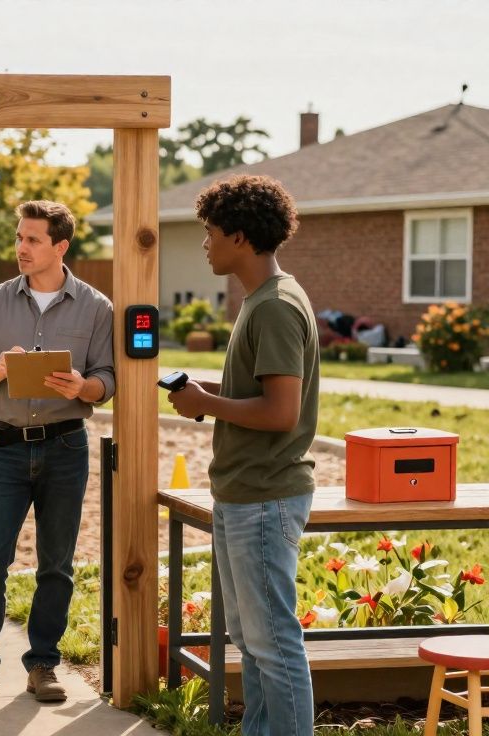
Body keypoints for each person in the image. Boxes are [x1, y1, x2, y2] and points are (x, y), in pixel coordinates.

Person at [0, 200, 114, 705]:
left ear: (60, 246)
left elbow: (108, 380)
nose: (21, 247)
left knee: (55, 564)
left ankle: (43, 664)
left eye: (33, 239)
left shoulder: (95, 307)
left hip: (66, 448)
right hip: (6, 449)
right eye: (19, 237)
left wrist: (83, 387)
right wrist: (1, 369)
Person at [168, 174, 319, 736]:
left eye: (209, 233)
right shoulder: (260, 300)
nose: (204, 243)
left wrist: (207, 401)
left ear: (238, 235)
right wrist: (209, 395)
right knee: (252, 644)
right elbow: (260, 392)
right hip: (243, 493)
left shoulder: (275, 306)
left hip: (265, 494)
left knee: (273, 644)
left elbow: (281, 412)